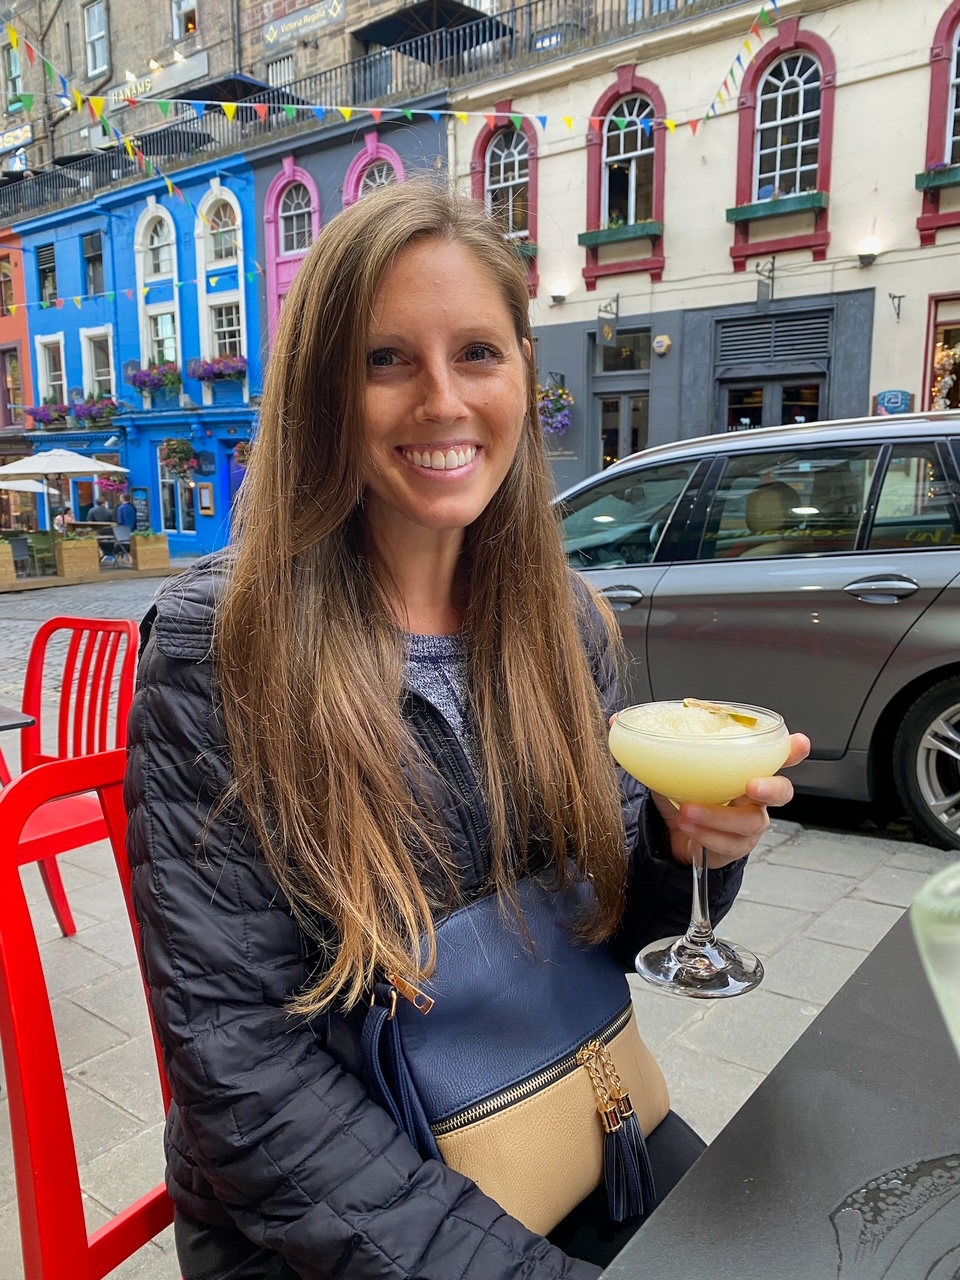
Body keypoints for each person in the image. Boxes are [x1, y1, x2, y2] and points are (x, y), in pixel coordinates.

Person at [126, 181, 809, 1280]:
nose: (442, 399)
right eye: (386, 359)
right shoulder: (221, 647)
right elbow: (239, 1068)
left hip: (564, 1117)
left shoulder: (563, 620)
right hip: (320, 1219)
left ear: (525, 375)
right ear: (321, 395)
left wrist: (680, 854)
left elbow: (599, 922)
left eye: (478, 353)